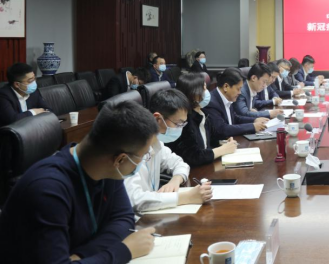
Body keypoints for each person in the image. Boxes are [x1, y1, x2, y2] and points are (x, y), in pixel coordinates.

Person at [0, 101, 160, 263]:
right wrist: (125, 250)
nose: (143, 160)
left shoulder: (106, 167)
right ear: (120, 159)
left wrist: (82, 256)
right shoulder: (47, 189)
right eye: (144, 155)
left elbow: (123, 218)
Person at [124, 89, 212, 214]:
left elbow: (180, 163)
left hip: (155, 214)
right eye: (178, 123)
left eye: (183, 124)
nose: (180, 129)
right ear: (158, 119)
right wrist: (186, 197)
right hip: (137, 219)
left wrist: (176, 179)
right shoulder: (130, 150)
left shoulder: (156, 142)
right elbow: (135, 200)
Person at [167, 73, 238, 167]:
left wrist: (223, 142)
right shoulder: (183, 121)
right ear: (193, 94)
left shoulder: (202, 112)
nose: (207, 92)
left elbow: (209, 140)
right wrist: (223, 150)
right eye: (204, 89)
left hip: (205, 166)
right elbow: (192, 156)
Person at [203, 68, 269, 137]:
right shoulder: (211, 103)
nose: (240, 92)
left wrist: (255, 120)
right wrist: (252, 126)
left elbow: (235, 118)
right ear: (226, 87)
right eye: (238, 89)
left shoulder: (227, 97)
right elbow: (222, 129)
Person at [0, 62, 51, 126]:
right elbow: (13, 120)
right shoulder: (3, 95)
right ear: (17, 84)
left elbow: (48, 109)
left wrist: (44, 111)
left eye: (34, 78)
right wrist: (33, 112)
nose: (34, 82)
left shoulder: (33, 91)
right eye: (30, 81)